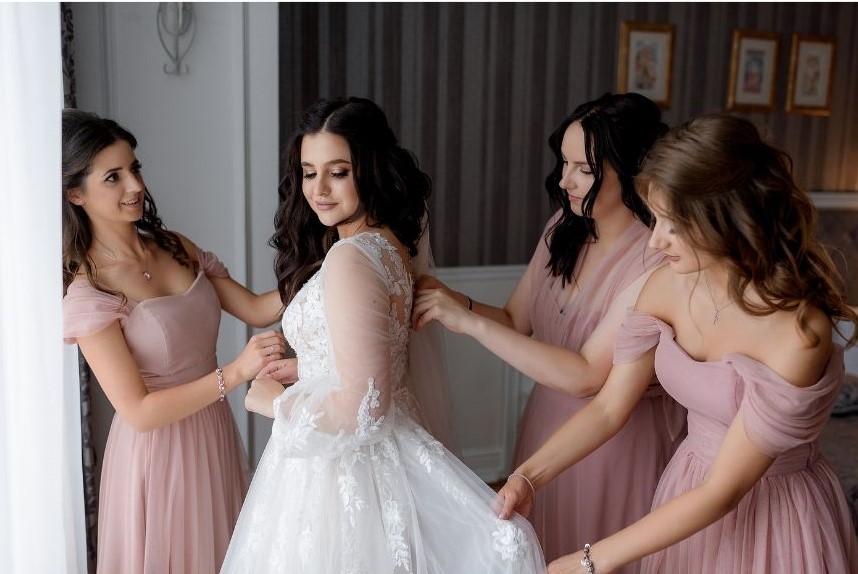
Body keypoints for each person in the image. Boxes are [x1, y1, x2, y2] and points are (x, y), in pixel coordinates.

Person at [496, 113, 858, 573]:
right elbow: (609, 408)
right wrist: (528, 476)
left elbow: (722, 492)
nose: (656, 240)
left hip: (771, 512)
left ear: (727, 218)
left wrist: (591, 560)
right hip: (683, 490)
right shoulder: (666, 285)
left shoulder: (798, 332)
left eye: (672, 224)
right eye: (657, 219)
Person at [220, 96, 545, 573]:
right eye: (309, 173)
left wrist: (271, 401)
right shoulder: (388, 245)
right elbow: (372, 363)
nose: (319, 190)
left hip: (343, 471)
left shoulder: (350, 257)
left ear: (368, 170)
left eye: (338, 172)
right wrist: (310, 368)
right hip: (374, 454)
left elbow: (364, 409)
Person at [412, 92, 686, 570]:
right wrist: (455, 301)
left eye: (584, 167)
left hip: (615, 441)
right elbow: (519, 321)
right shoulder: (563, 226)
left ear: (631, 170)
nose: (565, 180)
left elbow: (588, 375)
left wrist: (468, 322)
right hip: (545, 425)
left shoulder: (658, 257)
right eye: (564, 163)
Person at [61, 109, 287, 573]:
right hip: (157, 457)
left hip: (214, 433)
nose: (134, 186)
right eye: (113, 177)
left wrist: (331, 260)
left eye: (134, 168)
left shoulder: (174, 246)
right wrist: (237, 372)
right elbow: (140, 413)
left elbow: (258, 307)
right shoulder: (91, 293)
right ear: (75, 194)